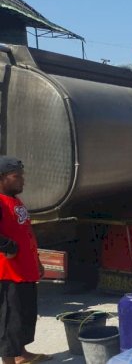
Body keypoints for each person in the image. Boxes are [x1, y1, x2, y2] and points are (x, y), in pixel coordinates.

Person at [0, 156, 50, 364]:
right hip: (9, 274)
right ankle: (10, 360)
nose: (22, 180)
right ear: (2, 178)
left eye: (22, 175)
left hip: (26, 271)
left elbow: (26, 232)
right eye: (16, 176)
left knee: (25, 316)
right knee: (11, 321)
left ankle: (22, 353)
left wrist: (36, 261)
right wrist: (8, 248)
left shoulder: (15, 200)